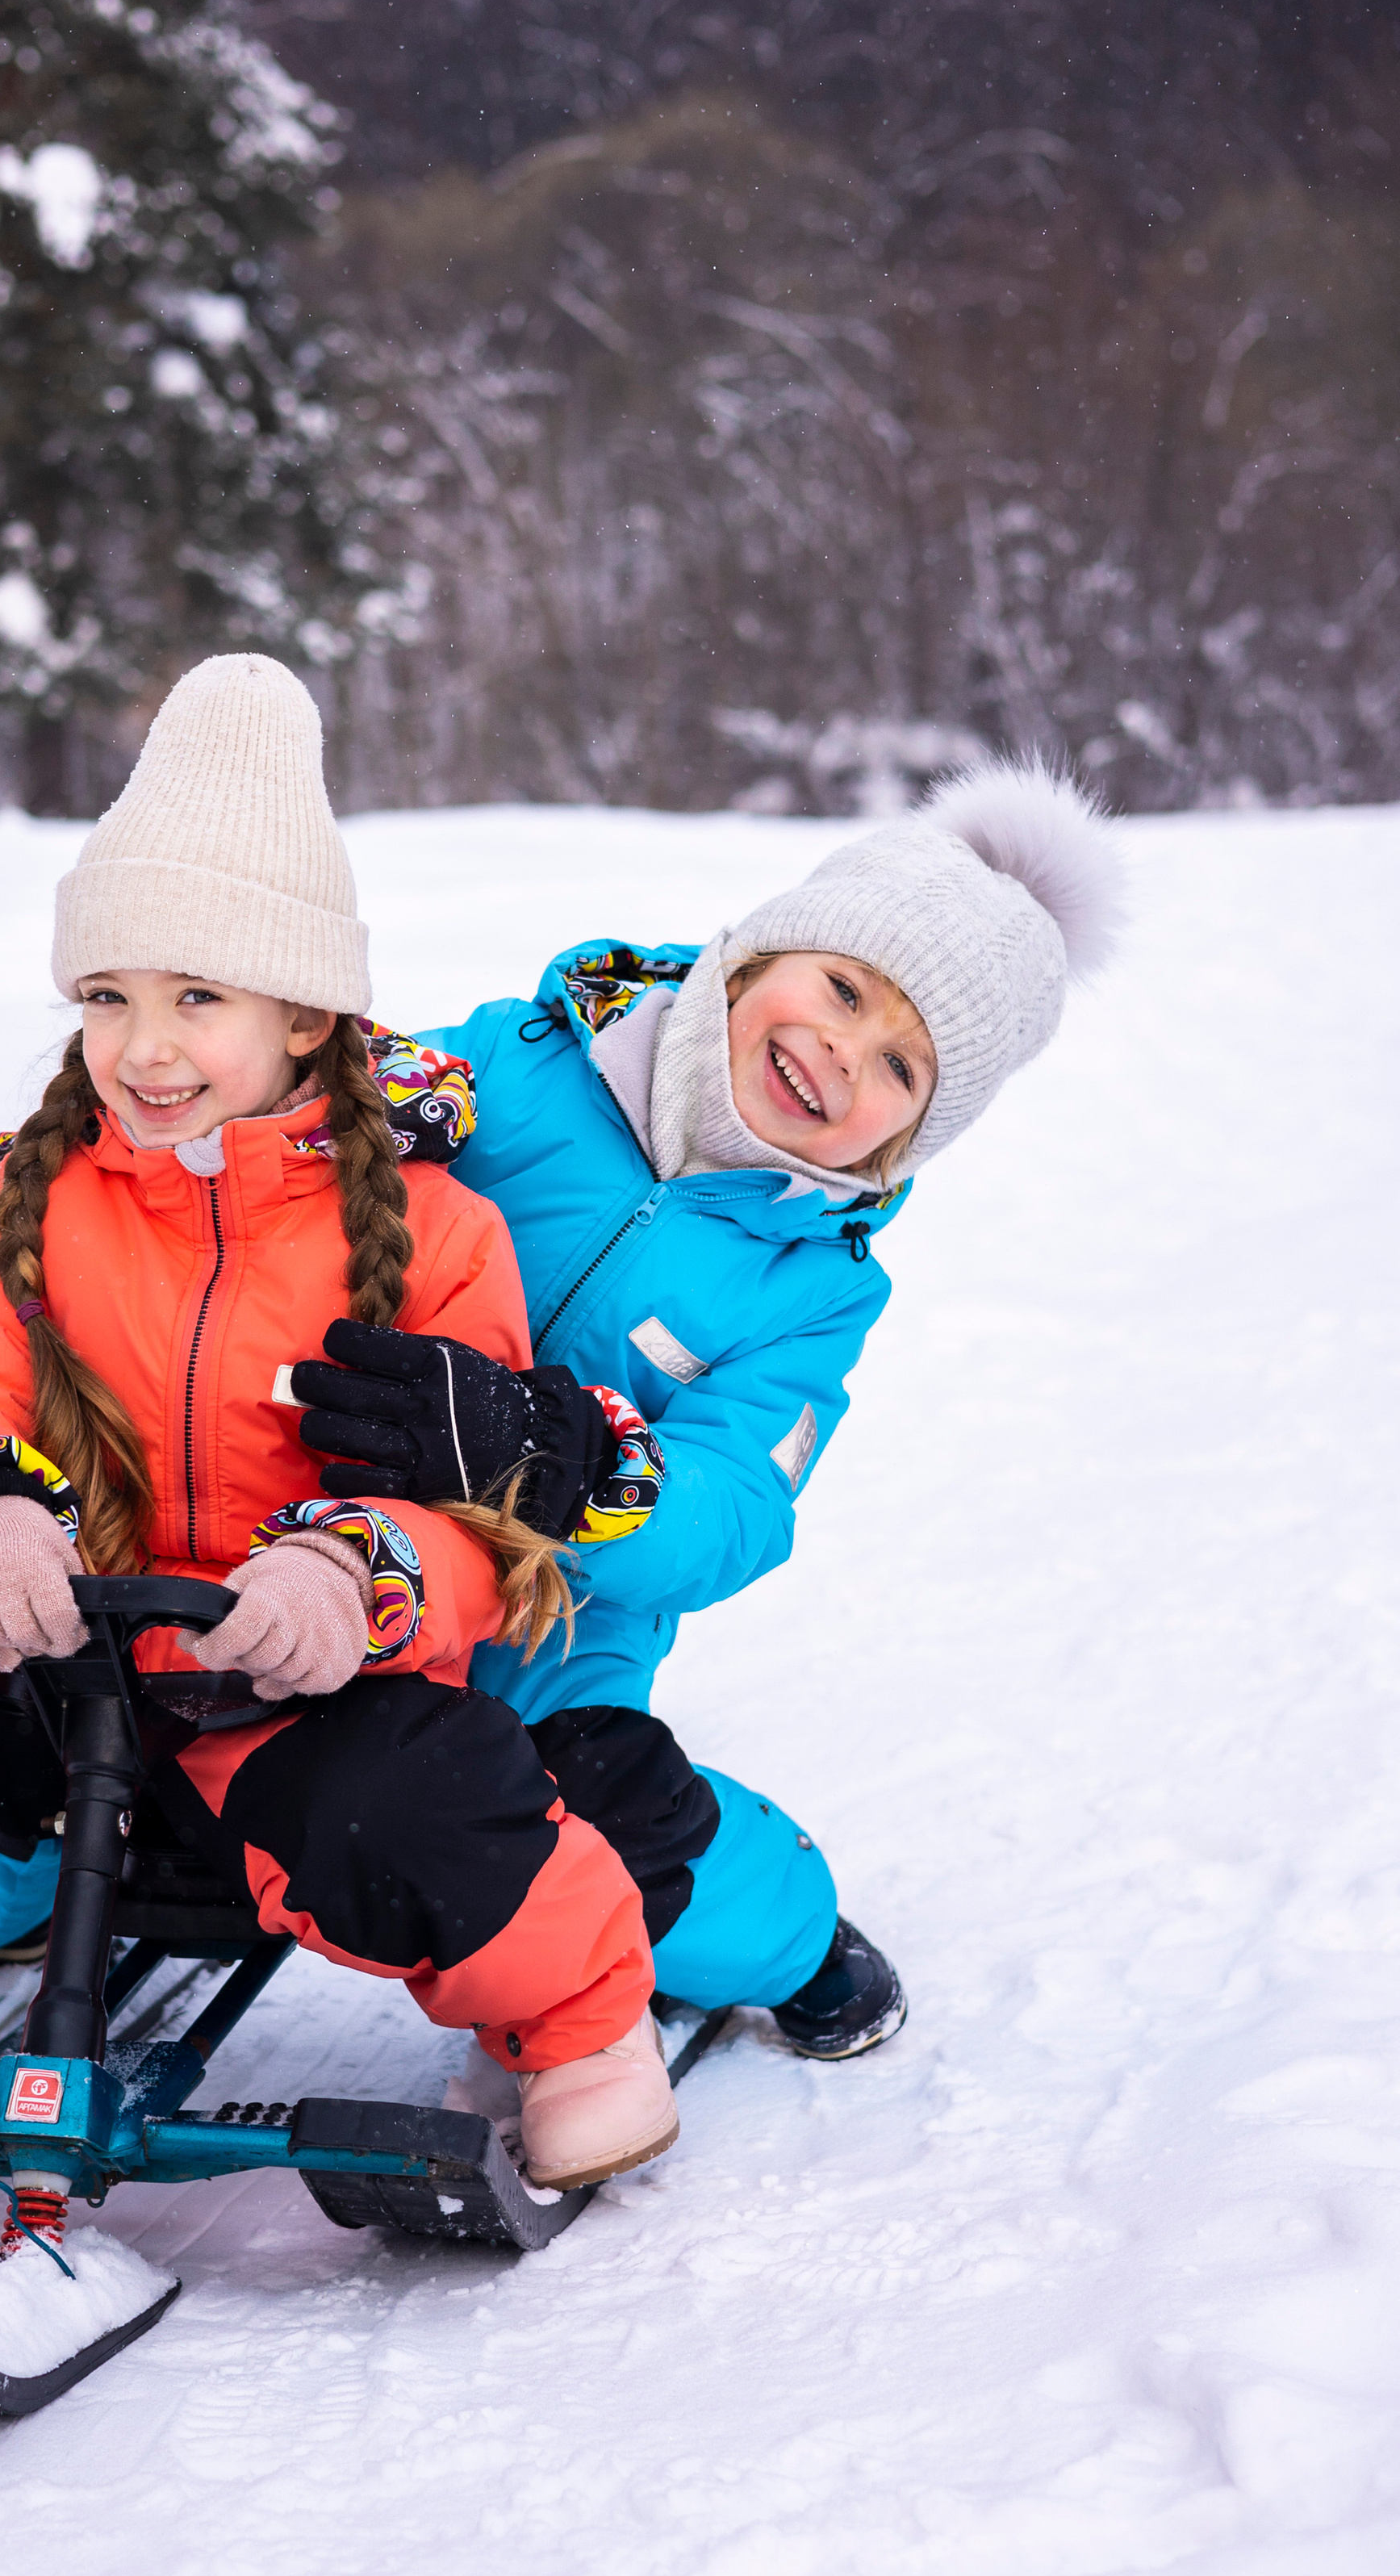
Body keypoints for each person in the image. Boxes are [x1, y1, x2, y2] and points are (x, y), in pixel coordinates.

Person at [0, 654, 679, 2195]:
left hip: (278, 1713)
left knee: (431, 1786)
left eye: (197, 998)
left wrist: (350, 1579)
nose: (145, 1049)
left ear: (300, 1015)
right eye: (109, 999)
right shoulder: (39, 1195)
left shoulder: (433, 1232)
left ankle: (583, 2027)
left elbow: (481, 1531)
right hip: (52, 1689)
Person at [290, 762, 1126, 2053]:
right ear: (751, 960)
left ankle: (782, 1928)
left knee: (573, 1810)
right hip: (312, 1504)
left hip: (552, 1621)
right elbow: (295, 1123)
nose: (845, 1050)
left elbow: (739, 1503)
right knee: (112, 1685)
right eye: (844, 988)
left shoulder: (811, 1291)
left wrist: (573, 1470)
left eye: (904, 1063)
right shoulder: (520, 1064)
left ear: (910, 1137)